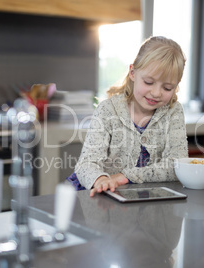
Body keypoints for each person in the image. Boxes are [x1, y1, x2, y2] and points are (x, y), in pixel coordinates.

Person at [66, 36, 188, 197]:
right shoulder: (108, 110)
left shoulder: (173, 111)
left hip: (150, 200)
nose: (156, 93)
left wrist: (126, 177)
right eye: (149, 82)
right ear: (132, 72)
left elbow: (177, 165)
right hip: (102, 195)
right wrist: (101, 179)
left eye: (167, 88)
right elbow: (86, 165)